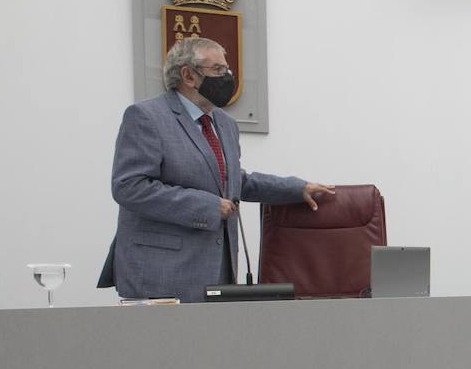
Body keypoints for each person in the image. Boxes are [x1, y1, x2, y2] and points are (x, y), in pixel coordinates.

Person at [101, 36, 334, 302]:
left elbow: (234, 182)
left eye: (227, 70)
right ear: (188, 75)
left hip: (217, 273)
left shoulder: (224, 123)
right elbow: (129, 187)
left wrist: (296, 188)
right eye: (218, 70)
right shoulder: (146, 117)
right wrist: (207, 206)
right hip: (160, 276)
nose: (227, 78)